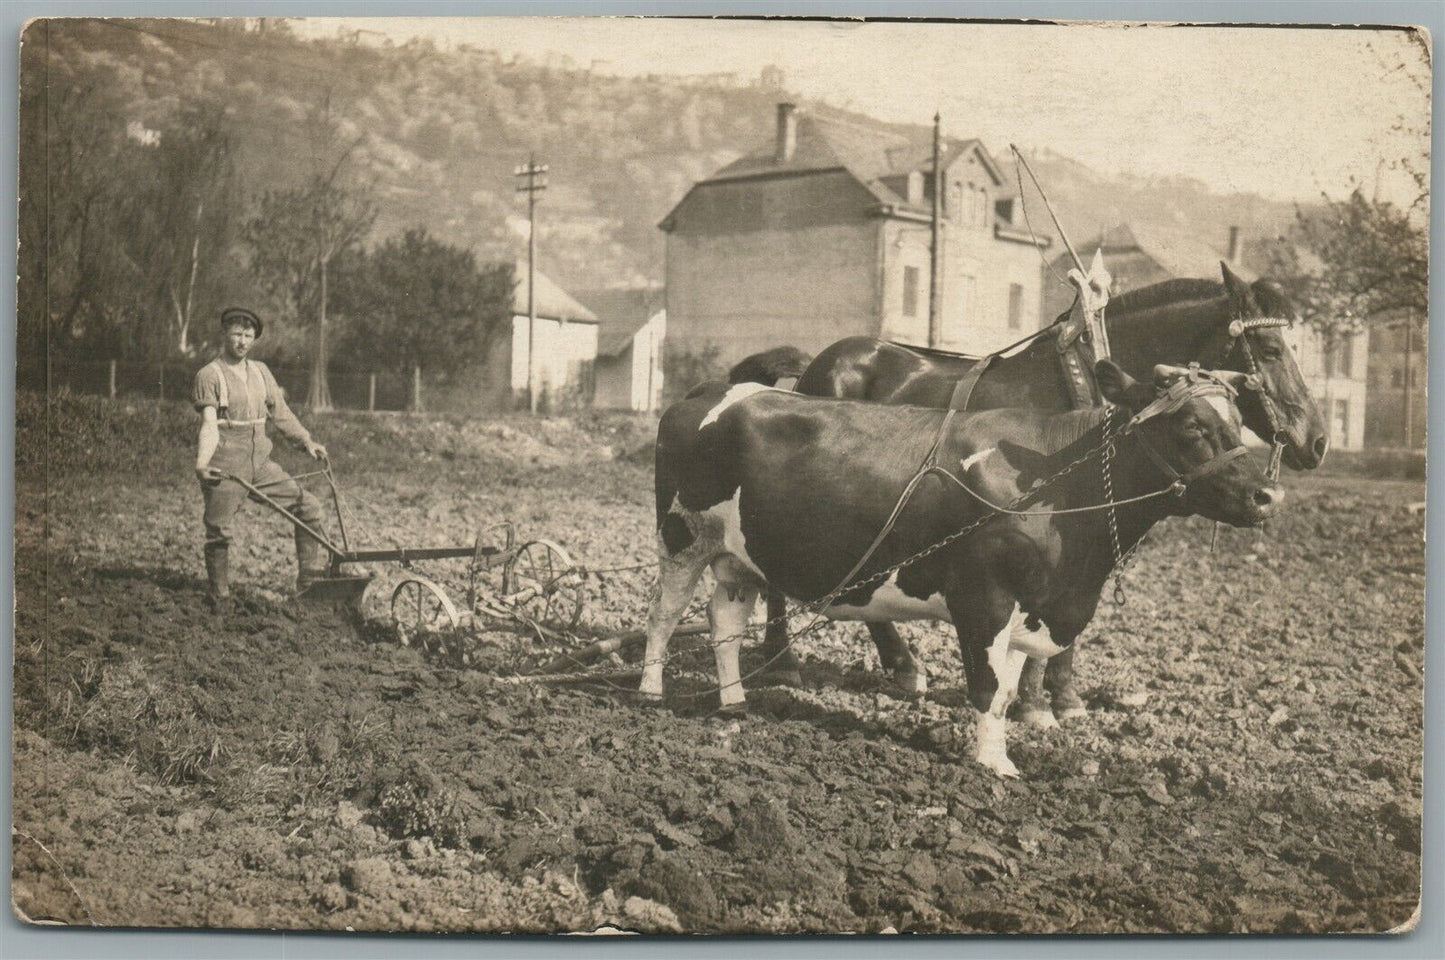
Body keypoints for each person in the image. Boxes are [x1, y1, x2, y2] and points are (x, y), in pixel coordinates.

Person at [193, 307, 330, 609]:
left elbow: (281, 415)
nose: (242, 341)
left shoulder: (261, 371)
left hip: (261, 462)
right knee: (219, 530)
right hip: (226, 462)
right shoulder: (209, 375)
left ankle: (308, 586)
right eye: (236, 334)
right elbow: (208, 425)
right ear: (225, 334)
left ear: (254, 339)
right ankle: (220, 597)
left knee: (309, 508)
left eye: (248, 335)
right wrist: (203, 464)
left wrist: (307, 441)